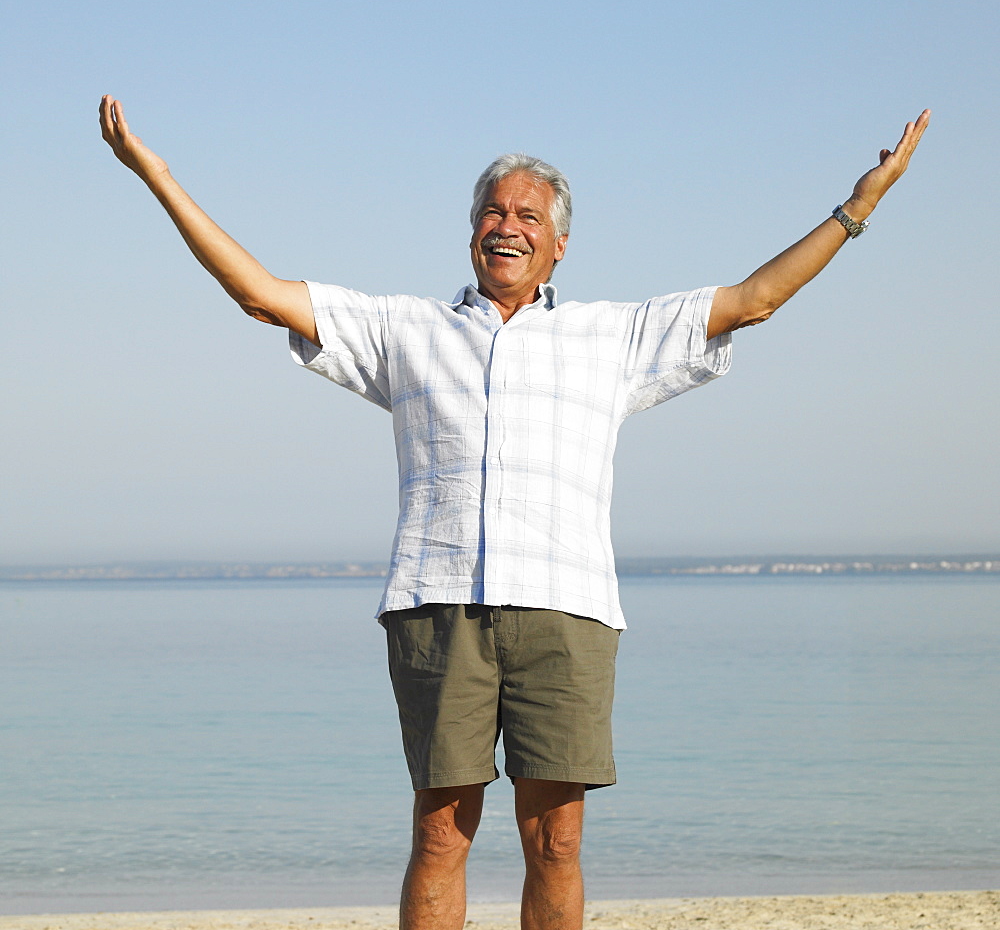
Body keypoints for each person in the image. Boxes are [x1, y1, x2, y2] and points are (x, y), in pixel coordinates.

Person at [99, 96, 930, 930]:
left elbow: (754, 298)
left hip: (565, 610)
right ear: (471, 232)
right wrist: (158, 177)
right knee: (439, 837)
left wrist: (859, 205)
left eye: (528, 215)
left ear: (558, 244)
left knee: (557, 842)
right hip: (439, 605)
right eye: (492, 212)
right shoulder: (406, 328)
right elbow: (262, 295)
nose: (508, 225)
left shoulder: (614, 336)